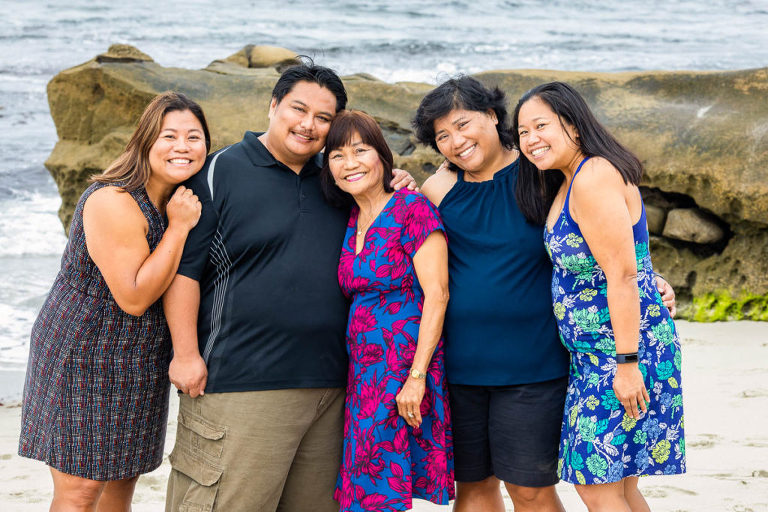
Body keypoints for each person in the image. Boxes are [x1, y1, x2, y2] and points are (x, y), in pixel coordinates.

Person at [412, 76, 677, 512]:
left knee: (533, 490)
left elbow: (602, 239)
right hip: (461, 365)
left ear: (492, 117)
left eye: (462, 125)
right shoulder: (436, 189)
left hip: (536, 365)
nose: (455, 142)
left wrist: (649, 279)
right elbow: (413, 258)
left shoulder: (543, 172)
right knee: (473, 488)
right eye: (442, 136)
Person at [163, 61, 416, 512]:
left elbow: (385, 225)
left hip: (336, 388)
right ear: (274, 105)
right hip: (243, 384)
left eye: (324, 117)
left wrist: (396, 181)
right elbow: (184, 273)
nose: (308, 125)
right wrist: (185, 354)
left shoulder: (340, 180)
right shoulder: (219, 172)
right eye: (298, 109)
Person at [18, 92, 207, 511]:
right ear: (145, 140)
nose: (182, 146)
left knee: (122, 479)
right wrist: (178, 229)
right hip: (85, 352)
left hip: (141, 357)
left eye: (193, 137)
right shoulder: (113, 200)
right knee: (81, 489)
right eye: (169, 136)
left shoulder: (176, 197)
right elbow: (135, 297)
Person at [513, 81, 685, 511]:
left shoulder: (593, 176)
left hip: (622, 354)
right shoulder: (568, 180)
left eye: (541, 126)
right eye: (523, 132)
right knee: (619, 487)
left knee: (597, 485)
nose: (531, 139)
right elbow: (626, 256)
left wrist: (626, 364)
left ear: (573, 125)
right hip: (596, 354)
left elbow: (622, 276)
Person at [320, 110, 454, 512]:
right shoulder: (350, 217)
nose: (350, 164)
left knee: (385, 489)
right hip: (363, 376)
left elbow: (438, 294)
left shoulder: (412, 208)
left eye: (360, 151)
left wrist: (417, 378)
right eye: (337, 156)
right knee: (366, 489)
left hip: (403, 371)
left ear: (382, 155)